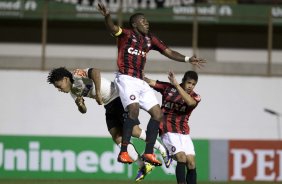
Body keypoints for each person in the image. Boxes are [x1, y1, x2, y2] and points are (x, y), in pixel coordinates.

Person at [97, 2, 205, 167]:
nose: (147, 23)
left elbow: (168, 52)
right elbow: (112, 28)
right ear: (135, 24)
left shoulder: (150, 39)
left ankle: (148, 153)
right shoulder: (125, 34)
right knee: (133, 109)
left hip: (140, 80)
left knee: (157, 114)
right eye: (143, 21)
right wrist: (107, 16)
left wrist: (187, 59)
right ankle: (124, 151)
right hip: (126, 78)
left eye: (147, 21)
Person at [47, 67, 171, 181]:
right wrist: (80, 105)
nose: (59, 89)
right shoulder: (72, 92)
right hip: (109, 105)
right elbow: (83, 111)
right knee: (117, 136)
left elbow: (95, 71)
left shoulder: (76, 74)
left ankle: (163, 150)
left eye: (59, 85)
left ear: (65, 79)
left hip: (118, 97)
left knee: (134, 131)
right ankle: (143, 166)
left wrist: (99, 93)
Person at [145, 70, 200, 184]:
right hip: (167, 130)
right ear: (183, 81)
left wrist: (176, 85)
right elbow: (150, 82)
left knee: (191, 163)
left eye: (193, 84)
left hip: (184, 132)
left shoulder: (195, 97)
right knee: (181, 157)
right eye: (189, 83)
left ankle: (168, 154)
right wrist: (137, 74)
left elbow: (190, 103)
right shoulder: (168, 88)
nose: (191, 86)